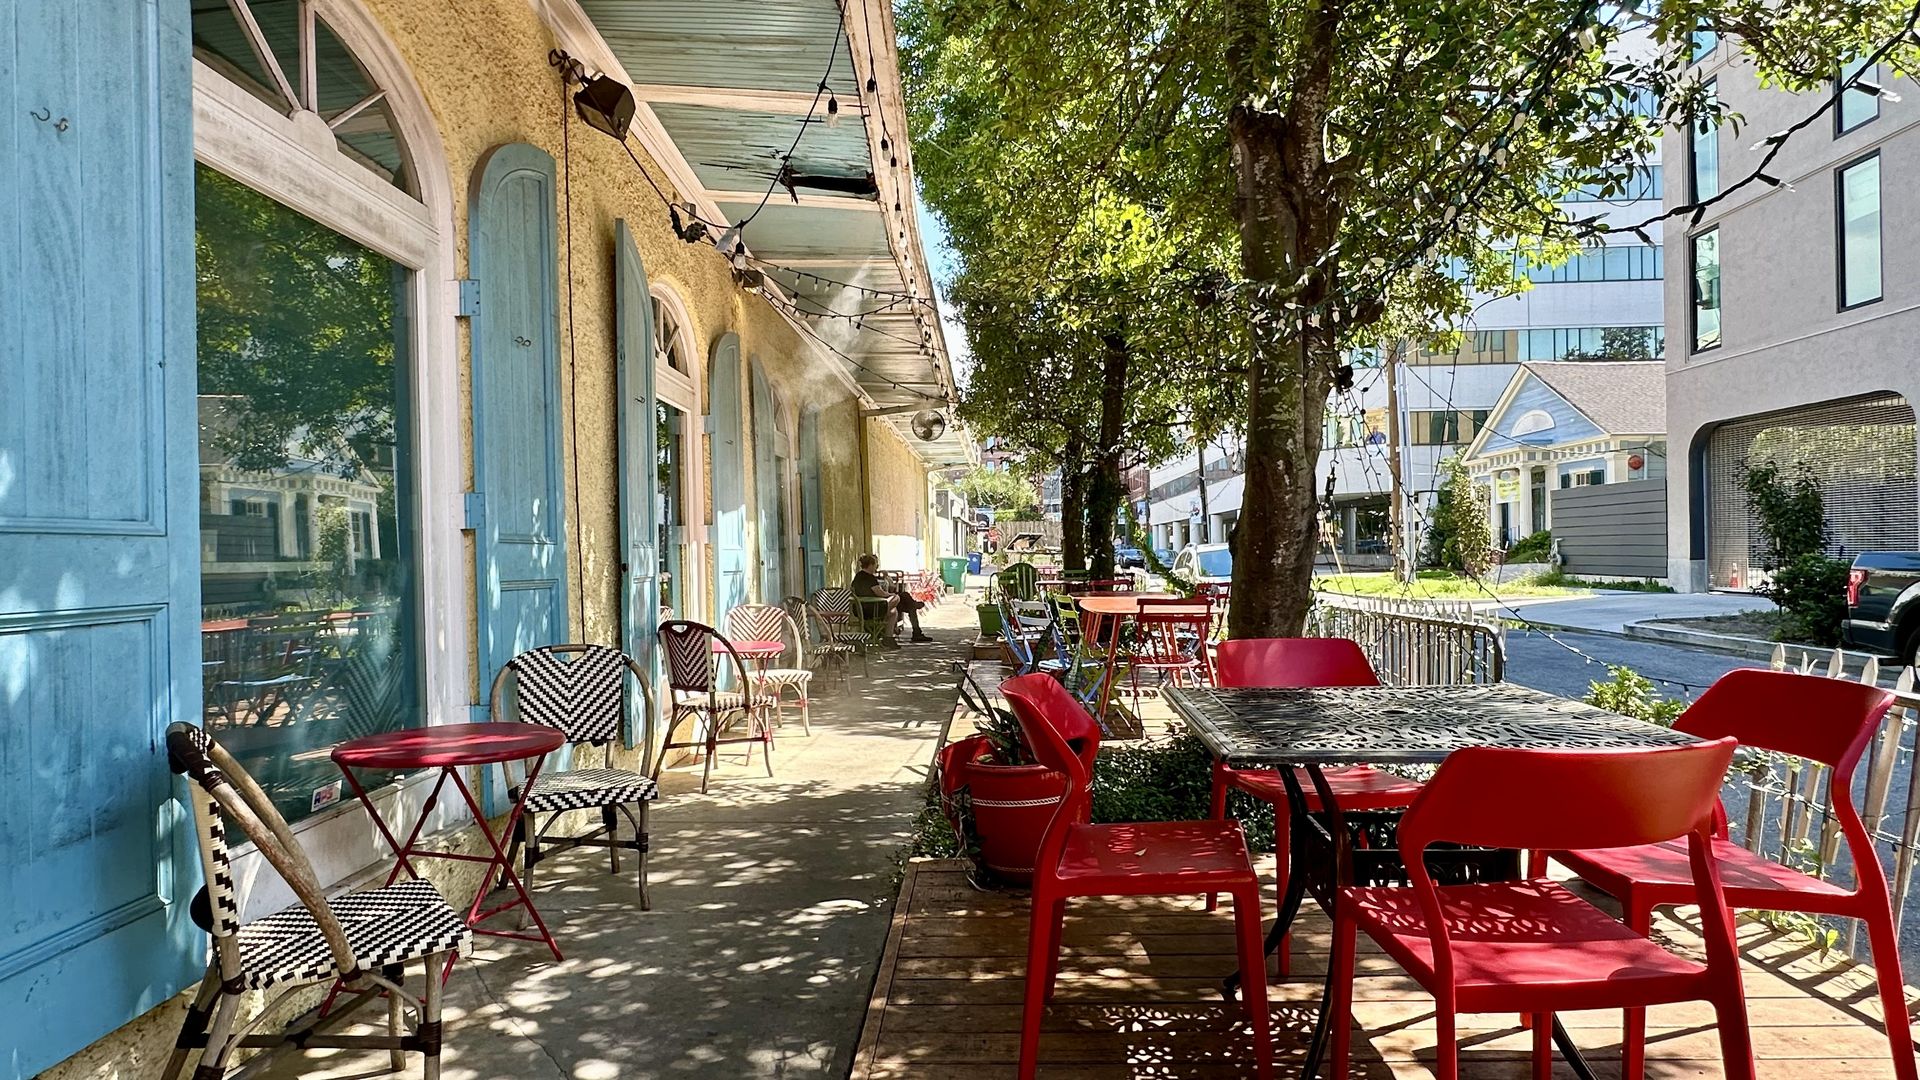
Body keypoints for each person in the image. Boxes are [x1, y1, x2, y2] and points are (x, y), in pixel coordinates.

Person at [852, 553, 932, 643]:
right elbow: (880, 593)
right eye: (875, 565)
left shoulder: (859, 576)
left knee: (895, 610)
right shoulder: (868, 578)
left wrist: (887, 581)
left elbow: (888, 589)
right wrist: (891, 595)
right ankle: (915, 630)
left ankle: (890, 639)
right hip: (873, 608)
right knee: (901, 599)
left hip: (867, 607)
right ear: (870, 565)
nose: (876, 567)